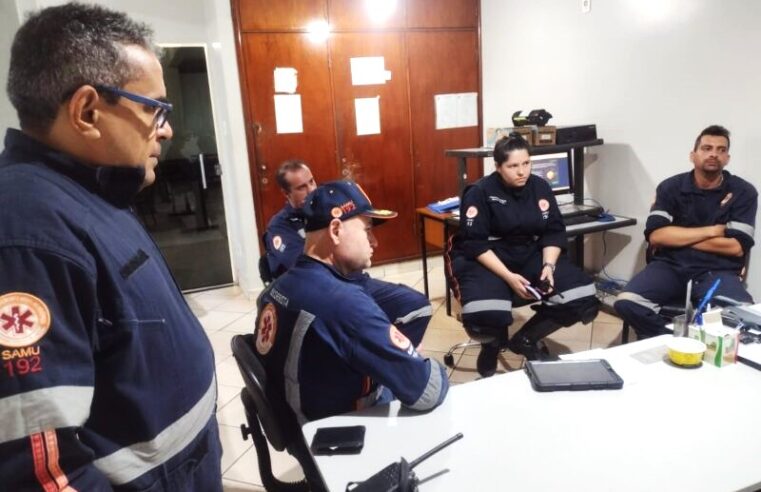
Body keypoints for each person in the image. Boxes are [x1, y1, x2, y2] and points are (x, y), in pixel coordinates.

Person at [0, 4, 221, 490]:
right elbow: (39, 472)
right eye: (153, 108)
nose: (165, 128)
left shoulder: (90, 193)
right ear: (87, 111)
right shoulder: (27, 235)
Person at [253, 180, 449, 423]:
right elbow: (427, 392)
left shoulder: (275, 287)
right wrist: (422, 363)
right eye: (367, 230)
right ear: (335, 231)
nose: (375, 242)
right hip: (337, 429)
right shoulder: (346, 304)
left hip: (297, 415)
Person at [449, 134, 599, 376]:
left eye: (526, 163)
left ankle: (526, 339)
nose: (522, 172)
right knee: (484, 316)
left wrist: (549, 267)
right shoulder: (479, 192)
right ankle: (492, 345)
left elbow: (553, 231)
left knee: (583, 298)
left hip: (528, 253)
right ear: (498, 166)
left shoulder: (540, 187)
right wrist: (509, 277)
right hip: (488, 257)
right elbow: (475, 244)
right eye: (513, 166)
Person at [263, 159, 432, 346]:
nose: (311, 190)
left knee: (417, 305)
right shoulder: (280, 226)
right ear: (286, 193)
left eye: (311, 181)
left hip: (352, 280)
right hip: (322, 292)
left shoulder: (325, 210)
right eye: (301, 187)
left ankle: (386, 353)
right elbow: (305, 270)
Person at [615, 125, 756, 339]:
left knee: (744, 318)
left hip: (718, 271)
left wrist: (678, 236)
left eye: (721, 150)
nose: (713, 154)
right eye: (707, 148)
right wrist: (712, 231)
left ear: (727, 158)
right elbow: (657, 236)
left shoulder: (743, 191)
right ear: (693, 154)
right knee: (626, 303)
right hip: (669, 266)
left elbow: (736, 247)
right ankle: (672, 341)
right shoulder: (670, 187)